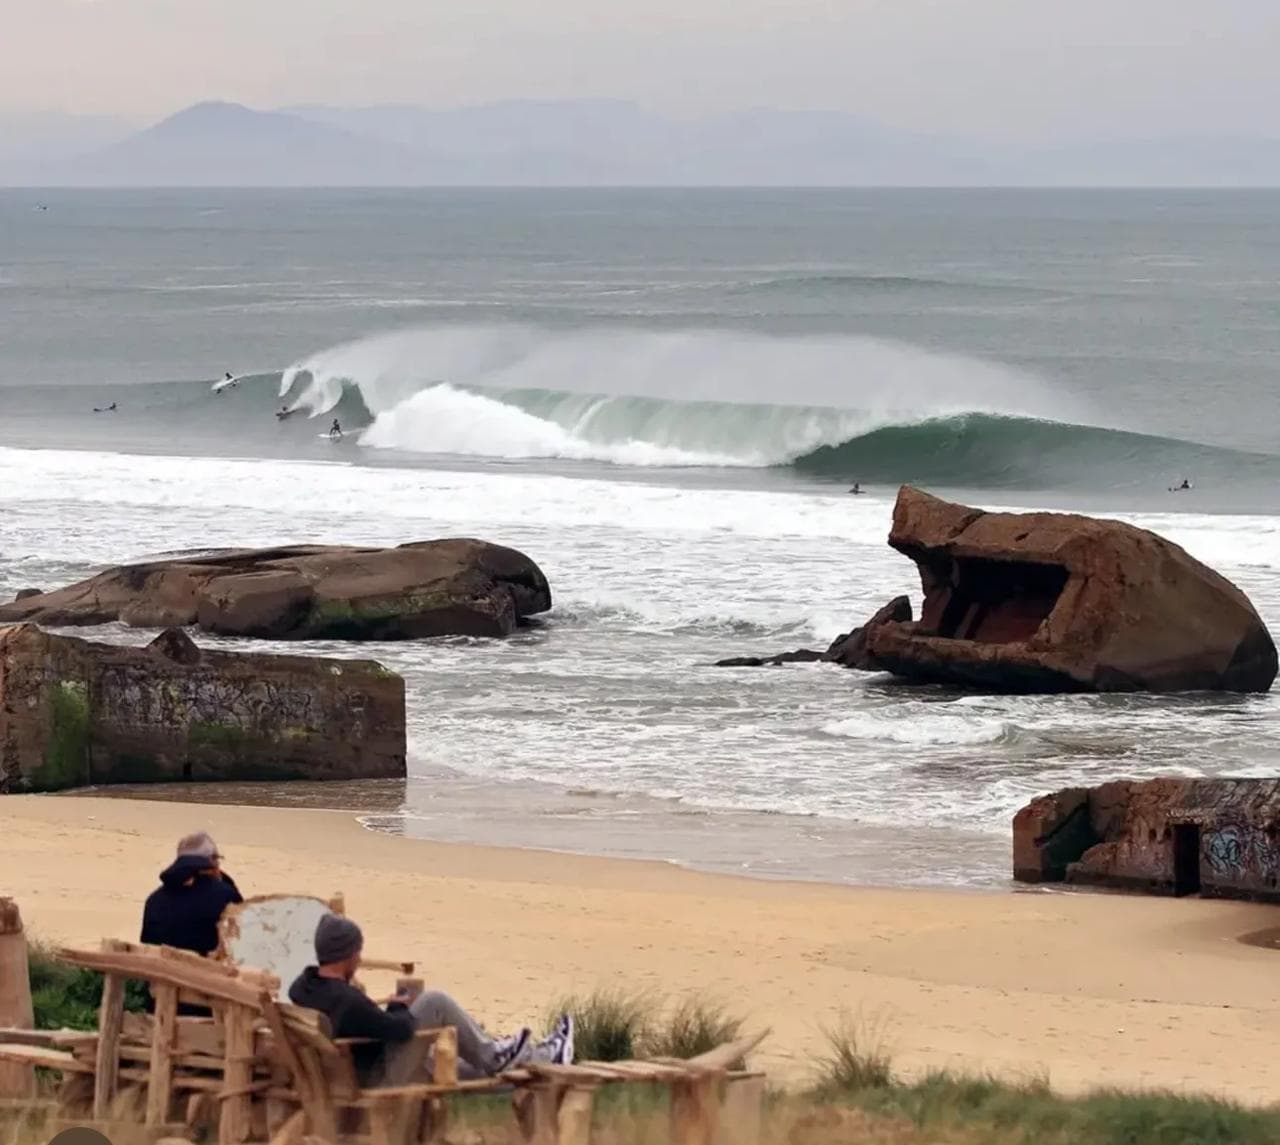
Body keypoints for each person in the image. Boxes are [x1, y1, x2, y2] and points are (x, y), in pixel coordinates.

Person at [288, 914, 574, 1086]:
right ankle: (495, 1055)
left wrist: (391, 1010)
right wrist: (399, 1006)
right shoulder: (348, 1000)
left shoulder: (302, 988)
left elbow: (371, 1023)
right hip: (376, 1078)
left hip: (345, 1073)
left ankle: (542, 1058)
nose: (360, 959)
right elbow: (401, 1030)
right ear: (347, 955)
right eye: (357, 952)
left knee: (457, 1067)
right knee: (435, 1002)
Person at [140, 832, 243, 956]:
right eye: (217, 859)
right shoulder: (226, 895)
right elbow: (242, 944)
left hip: (159, 966)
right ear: (212, 860)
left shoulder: (154, 900)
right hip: (205, 967)